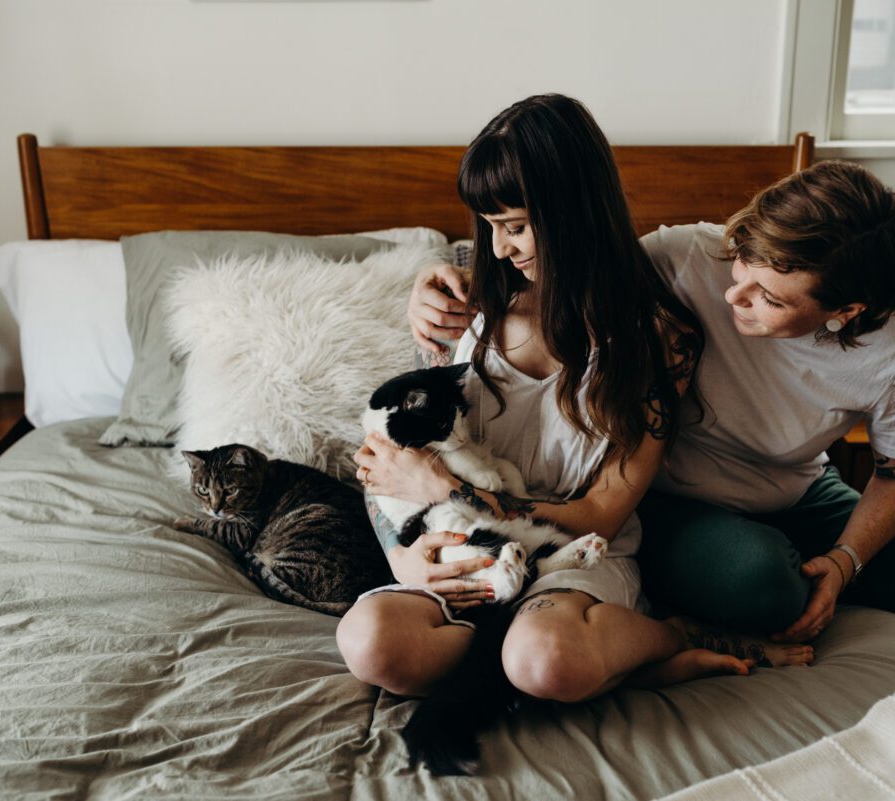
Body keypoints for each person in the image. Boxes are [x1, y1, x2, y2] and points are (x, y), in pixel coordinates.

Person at [408, 157, 895, 695]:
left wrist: (846, 561)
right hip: (668, 497)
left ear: (845, 312)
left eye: (769, 296)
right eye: (742, 264)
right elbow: (557, 276)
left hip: (799, 492)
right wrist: (445, 284)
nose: (735, 295)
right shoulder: (685, 255)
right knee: (763, 584)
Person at [336, 94, 813, 704]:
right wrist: (403, 557)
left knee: (545, 661)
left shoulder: (659, 340)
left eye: (515, 226)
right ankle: (583, 664)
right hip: (464, 548)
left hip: (575, 558)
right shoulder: (464, 304)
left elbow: (603, 514)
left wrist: (450, 491)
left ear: (574, 212)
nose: (500, 247)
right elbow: (385, 468)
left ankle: (666, 636)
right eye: (488, 227)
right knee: (372, 645)